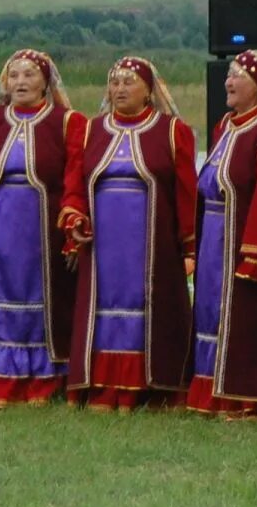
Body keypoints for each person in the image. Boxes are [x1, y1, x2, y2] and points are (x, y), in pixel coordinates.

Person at [61, 56, 196, 410]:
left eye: (129, 82)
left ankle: (150, 385)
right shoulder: (90, 131)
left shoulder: (171, 131)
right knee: (103, 303)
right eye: (115, 82)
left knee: (146, 304)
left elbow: (185, 192)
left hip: (151, 245)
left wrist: (191, 246)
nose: (120, 88)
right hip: (104, 243)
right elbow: (74, 184)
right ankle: (103, 384)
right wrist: (75, 219)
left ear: (149, 90)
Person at [0, 49, 83, 407]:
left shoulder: (67, 122)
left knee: (42, 298)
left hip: (42, 230)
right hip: (0, 227)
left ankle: (44, 380)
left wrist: (72, 227)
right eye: (14, 75)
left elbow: (75, 177)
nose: (21, 82)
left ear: (46, 81)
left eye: (29, 75)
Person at [186, 49, 257, 418]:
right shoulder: (224, 126)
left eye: (238, 76)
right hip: (215, 232)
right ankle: (207, 390)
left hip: (242, 240)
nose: (228, 82)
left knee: (243, 313)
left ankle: (241, 394)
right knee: (210, 310)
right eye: (228, 75)